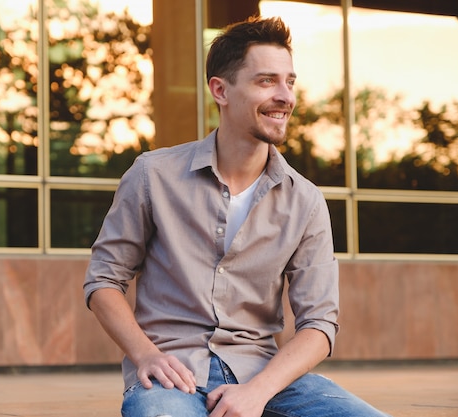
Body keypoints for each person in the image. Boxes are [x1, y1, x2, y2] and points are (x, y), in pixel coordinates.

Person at [84, 15, 390, 417]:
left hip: (268, 378)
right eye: (266, 81)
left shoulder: (306, 201)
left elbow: (319, 326)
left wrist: (257, 392)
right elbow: (104, 281)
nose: (285, 96)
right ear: (220, 90)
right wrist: (145, 356)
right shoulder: (153, 176)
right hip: (174, 378)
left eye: (290, 82)